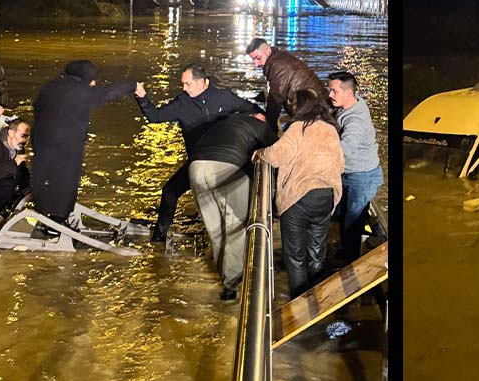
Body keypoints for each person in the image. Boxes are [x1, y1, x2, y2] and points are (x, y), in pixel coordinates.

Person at [134, 63, 264, 241]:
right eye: (183, 84)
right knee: (169, 193)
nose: (184, 88)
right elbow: (155, 116)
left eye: (188, 84)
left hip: (225, 159)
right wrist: (142, 98)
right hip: (199, 160)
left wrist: (257, 116)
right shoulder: (182, 103)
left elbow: (251, 109)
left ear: (202, 82)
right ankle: (158, 238)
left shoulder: (223, 97)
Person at [30, 60, 136, 238]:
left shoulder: (51, 86)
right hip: (66, 146)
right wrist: (132, 85)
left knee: (46, 179)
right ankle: (56, 223)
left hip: (41, 142)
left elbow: (36, 106)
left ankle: (44, 213)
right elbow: (108, 93)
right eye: (92, 79)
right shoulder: (80, 92)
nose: (94, 83)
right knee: (66, 182)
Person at [257, 89, 344, 299]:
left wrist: (260, 153)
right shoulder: (330, 129)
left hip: (298, 198)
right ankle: (318, 299)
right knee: (316, 252)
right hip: (325, 196)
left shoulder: (298, 128)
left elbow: (277, 156)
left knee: (295, 257)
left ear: (299, 106)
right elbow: (340, 165)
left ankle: (300, 305)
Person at [187, 113, 276, 300]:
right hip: (225, 168)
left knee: (215, 228)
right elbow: (276, 151)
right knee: (236, 226)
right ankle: (232, 285)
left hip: (196, 167)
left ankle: (220, 271)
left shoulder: (228, 123)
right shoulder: (259, 126)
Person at [328, 71, 384, 264]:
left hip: (362, 177)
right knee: (344, 214)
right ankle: (347, 251)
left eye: (334, 91)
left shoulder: (355, 121)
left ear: (348, 93)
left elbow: (344, 150)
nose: (330, 95)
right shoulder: (352, 105)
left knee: (352, 221)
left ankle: (351, 262)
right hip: (352, 174)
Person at [245, 38, 328, 132]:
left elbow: (276, 98)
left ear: (268, 51)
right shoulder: (280, 57)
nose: (256, 64)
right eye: (253, 60)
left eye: (258, 58)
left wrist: (269, 128)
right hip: (318, 108)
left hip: (312, 112)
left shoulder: (277, 66)